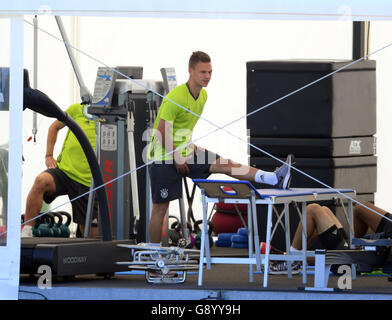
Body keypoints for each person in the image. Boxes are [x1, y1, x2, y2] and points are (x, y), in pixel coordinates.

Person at [147, 51, 293, 245]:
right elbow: (161, 130)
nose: (207, 76)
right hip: (163, 155)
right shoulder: (176, 97)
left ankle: (273, 178)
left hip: (184, 151)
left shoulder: (203, 96)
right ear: (190, 71)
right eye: (202, 72)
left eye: (210, 72)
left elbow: (184, 124)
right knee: (160, 208)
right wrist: (177, 156)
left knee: (225, 164)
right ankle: (154, 254)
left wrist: (189, 142)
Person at [21, 103, 98, 238]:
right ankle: (27, 230)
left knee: (91, 236)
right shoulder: (77, 109)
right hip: (64, 171)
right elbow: (54, 127)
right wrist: (49, 155)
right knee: (41, 181)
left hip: (88, 181)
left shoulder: (111, 117)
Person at [269, 201, 392, 274]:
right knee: (326, 210)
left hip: (372, 256)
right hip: (371, 247)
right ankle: (296, 257)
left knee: (313, 210)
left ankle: (292, 260)